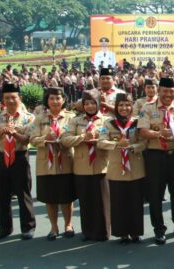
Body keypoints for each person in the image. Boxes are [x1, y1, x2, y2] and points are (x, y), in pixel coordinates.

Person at [138, 77, 174, 245]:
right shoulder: (148, 108)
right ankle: (159, 229)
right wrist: (158, 134)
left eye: (171, 91)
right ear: (159, 91)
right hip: (155, 155)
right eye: (164, 91)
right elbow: (142, 130)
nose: (168, 94)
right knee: (155, 194)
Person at [0, 82, 36, 240]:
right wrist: (2, 131)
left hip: (20, 157)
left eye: (14, 97)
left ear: (19, 98)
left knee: (23, 193)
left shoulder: (28, 117)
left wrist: (14, 134)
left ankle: (28, 227)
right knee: (2, 194)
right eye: (7, 98)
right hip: (1, 158)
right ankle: (5, 228)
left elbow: (28, 140)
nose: (10, 101)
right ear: (2, 99)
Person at [60, 91, 110, 241]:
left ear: (98, 104)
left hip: (102, 165)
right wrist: (83, 138)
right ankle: (87, 232)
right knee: (86, 201)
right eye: (86, 103)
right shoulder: (75, 121)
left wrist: (99, 139)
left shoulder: (106, 121)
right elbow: (65, 140)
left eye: (93, 103)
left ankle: (103, 231)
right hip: (82, 166)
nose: (89, 106)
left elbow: (113, 139)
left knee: (102, 201)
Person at [28, 87, 76, 241]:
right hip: (46, 164)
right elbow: (32, 139)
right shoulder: (39, 118)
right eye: (51, 98)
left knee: (67, 197)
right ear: (47, 101)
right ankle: (53, 227)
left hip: (66, 161)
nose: (55, 101)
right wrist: (46, 138)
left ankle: (68, 224)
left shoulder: (71, 117)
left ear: (63, 100)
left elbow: (75, 137)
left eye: (58, 98)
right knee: (50, 197)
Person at [98, 93, 146, 244]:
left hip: (135, 167)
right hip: (116, 168)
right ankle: (122, 233)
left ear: (132, 106)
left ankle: (135, 232)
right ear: (116, 107)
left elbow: (144, 143)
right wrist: (117, 144)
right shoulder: (108, 123)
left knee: (135, 201)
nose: (124, 108)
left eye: (127, 105)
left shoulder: (137, 122)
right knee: (119, 202)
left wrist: (133, 147)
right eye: (121, 105)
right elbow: (101, 142)